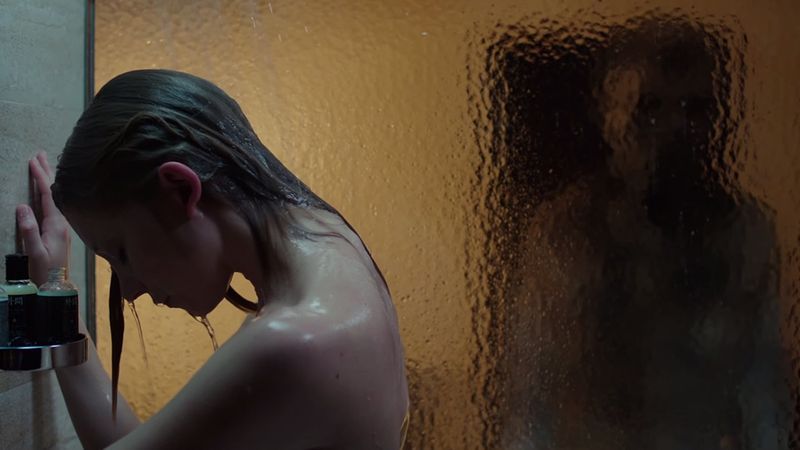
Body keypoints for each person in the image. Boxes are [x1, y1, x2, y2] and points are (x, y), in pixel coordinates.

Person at [15, 69, 409, 449]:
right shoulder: (339, 247)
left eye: (122, 253)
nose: (130, 290)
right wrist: (56, 292)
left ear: (181, 189)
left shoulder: (295, 344)